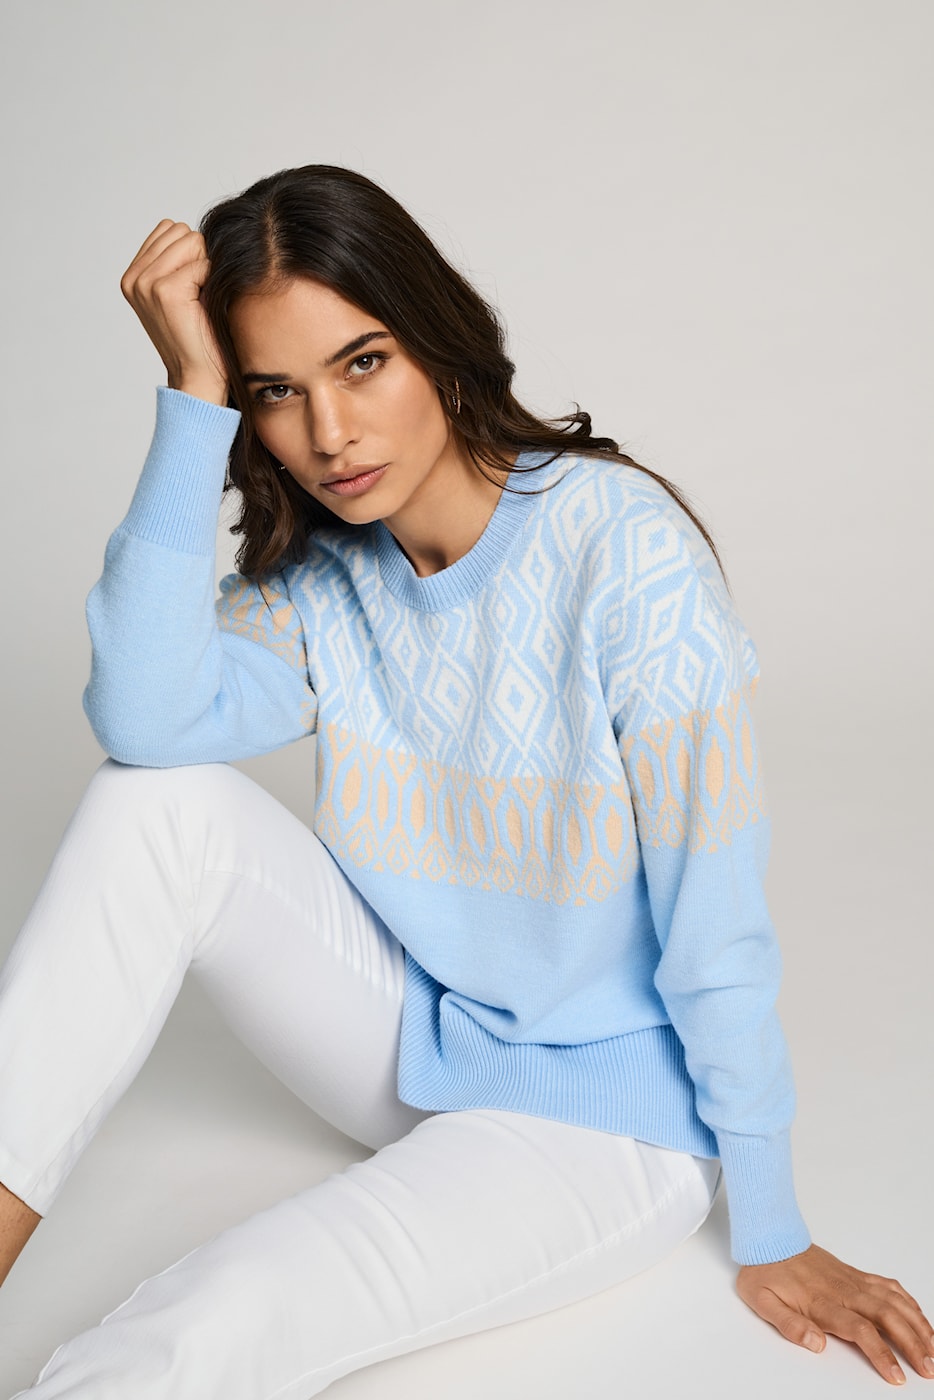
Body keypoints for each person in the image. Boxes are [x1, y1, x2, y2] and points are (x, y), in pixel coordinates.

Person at [0, 164, 930, 1397]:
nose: (329, 432)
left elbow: (716, 923)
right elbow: (145, 716)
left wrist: (769, 1221)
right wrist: (190, 398)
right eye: (276, 392)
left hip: (606, 1119)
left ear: (437, 342)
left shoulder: (623, 551)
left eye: (362, 362)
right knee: (147, 799)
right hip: (420, 1044)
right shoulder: (327, 580)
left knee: (232, 1306)